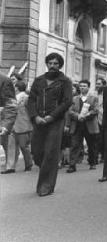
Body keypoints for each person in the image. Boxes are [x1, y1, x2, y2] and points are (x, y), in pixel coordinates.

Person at [27, 53, 73, 196]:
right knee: (36, 151)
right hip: (39, 121)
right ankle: (47, 171)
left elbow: (67, 101)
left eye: (56, 63)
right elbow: (31, 100)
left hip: (55, 122)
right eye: (50, 63)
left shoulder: (65, 81)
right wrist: (35, 116)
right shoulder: (38, 80)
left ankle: (45, 186)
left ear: (60, 66)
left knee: (50, 153)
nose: (52, 66)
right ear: (46, 64)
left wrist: (52, 116)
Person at [66, 79, 100, 172]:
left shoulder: (93, 98)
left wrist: (86, 115)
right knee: (74, 145)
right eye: (81, 86)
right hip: (77, 124)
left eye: (84, 86)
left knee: (91, 145)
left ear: (88, 87)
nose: (82, 88)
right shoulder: (74, 98)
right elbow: (70, 111)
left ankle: (92, 162)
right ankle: (72, 165)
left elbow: (96, 110)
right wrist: (78, 116)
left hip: (89, 124)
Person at [3, 80, 33, 173]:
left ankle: (28, 164)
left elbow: (31, 112)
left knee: (24, 146)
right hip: (12, 126)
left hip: (23, 125)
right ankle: (10, 167)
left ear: (17, 88)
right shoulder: (12, 98)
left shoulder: (26, 98)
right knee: (11, 147)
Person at [0, 72, 17, 174]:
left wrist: (6, 125)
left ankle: (10, 166)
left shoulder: (4, 80)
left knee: (8, 141)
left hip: (3, 119)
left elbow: (11, 105)